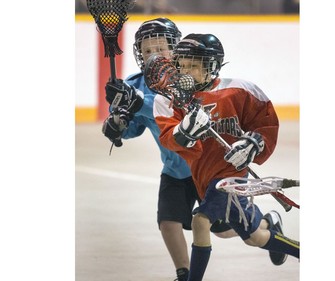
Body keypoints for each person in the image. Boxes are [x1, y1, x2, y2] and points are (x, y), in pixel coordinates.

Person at [153, 33, 300, 281]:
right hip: (204, 176)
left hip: (231, 177)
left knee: (200, 221)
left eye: (194, 65)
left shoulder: (239, 91)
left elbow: (265, 125)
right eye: (182, 65)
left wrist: (253, 143)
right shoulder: (171, 99)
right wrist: (185, 132)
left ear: (212, 65)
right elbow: (169, 137)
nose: (186, 71)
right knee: (255, 237)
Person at [101, 18, 233, 281]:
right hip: (174, 169)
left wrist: (137, 102)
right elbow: (133, 128)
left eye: (161, 49)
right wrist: (118, 123)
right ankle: (183, 274)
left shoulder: (189, 79)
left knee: (223, 228)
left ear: (176, 49)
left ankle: (262, 225)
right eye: (147, 50)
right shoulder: (135, 84)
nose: (154, 55)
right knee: (168, 222)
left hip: (205, 168)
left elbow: (174, 109)